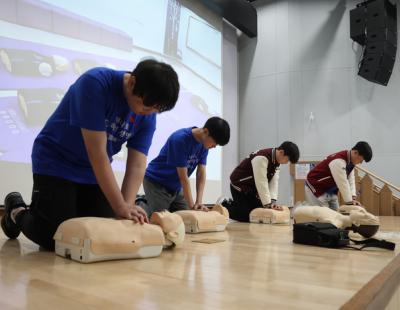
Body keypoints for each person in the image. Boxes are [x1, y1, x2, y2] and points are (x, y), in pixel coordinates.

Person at [1, 59, 180, 250]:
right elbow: (97, 153)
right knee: (55, 236)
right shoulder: (95, 83)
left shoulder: (148, 115)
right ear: (132, 82)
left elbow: (136, 165)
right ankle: (16, 210)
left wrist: (125, 209)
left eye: (154, 110)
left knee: (101, 233)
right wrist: (119, 206)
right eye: (144, 106)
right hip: (56, 161)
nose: (148, 113)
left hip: (92, 173)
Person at [142, 117, 230, 217]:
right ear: (205, 131)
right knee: (163, 220)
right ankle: (142, 202)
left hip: (176, 187)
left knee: (187, 219)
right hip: (156, 183)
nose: (214, 146)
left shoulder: (204, 145)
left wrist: (199, 202)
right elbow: (183, 178)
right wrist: (193, 207)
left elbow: (201, 173)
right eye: (215, 143)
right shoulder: (180, 139)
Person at [226, 141, 300, 222]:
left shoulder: (277, 161)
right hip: (239, 186)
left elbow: (274, 182)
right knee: (246, 216)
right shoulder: (262, 158)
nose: (287, 163)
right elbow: (261, 182)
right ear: (281, 152)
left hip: (251, 189)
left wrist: (273, 201)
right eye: (288, 160)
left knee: (259, 214)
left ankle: (237, 206)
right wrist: (268, 205)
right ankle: (224, 204)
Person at [305, 141, 373, 210]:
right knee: (322, 217)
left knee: (336, 217)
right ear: (356, 152)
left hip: (330, 191)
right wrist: (350, 202)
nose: (361, 162)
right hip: (316, 187)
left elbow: (351, 180)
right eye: (361, 160)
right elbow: (342, 182)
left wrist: (353, 197)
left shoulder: (350, 162)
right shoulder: (338, 161)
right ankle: (301, 212)